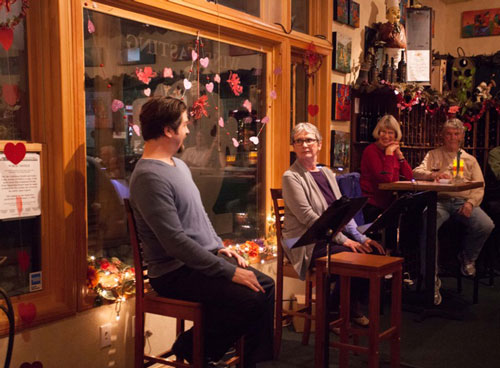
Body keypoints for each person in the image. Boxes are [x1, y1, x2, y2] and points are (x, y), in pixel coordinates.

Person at [129, 96, 274, 367]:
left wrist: (220, 245)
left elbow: (199, 216)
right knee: (253, 298)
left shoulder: (178, 165)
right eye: (184, 125)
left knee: (266, 286)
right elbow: (175, 243)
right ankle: (194, 347)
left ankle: (224, 353)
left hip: (196, 261)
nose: (187, 130)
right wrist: (229, 271)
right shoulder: (148, 177)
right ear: (168, 130)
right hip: (173, 272)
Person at [282, 122, 384, 327]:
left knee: (373, 252)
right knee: (356, 257)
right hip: (306, 242)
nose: (304, 145)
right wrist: (346, 241)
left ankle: (343, 309)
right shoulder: (291, 177)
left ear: (319, 144)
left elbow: (343, 212)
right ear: (293, 146)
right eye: (299, 141)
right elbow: (310, 219)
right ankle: (334, 313)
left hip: (330, 236)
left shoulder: (327, 173)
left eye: (309, 140)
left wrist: (362, 238)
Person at [413, 118, 494, 304]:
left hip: (463, 202)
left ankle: (467, 258)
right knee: (428, 222)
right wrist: (433, 175)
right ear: (443, 135)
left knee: (486, 225)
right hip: (438, 201)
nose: (452, 137)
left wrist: (471, 203)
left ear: (461, 137)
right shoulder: (433, 155)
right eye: (448, 133)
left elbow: (480, 187)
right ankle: (430, 278)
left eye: (456, 134)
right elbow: (416, 172)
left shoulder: (469, 159)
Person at [360, 114, 413, 223]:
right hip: (372, 203)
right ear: (378, 133)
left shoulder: (393, 151)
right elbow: (386, 179)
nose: (386, 136)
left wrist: (399, 155)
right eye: (383, 132)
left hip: (389, 202)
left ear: (395, 135)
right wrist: (389, 153)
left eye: (390, 133)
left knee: (413, 214)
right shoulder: (370, 151)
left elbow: (410, 176)